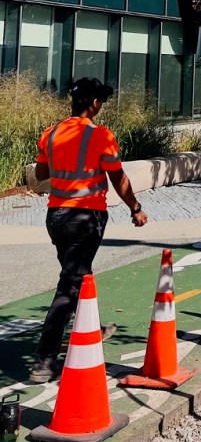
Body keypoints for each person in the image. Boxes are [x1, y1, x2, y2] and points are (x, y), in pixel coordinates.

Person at [29, 77, 148, 384]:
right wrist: (136, 208)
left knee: (79, 275)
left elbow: (41, 173)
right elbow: (118, 178)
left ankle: (91, 330)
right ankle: (44, 360)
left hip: (56, 216)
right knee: (70, 284)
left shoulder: (51, 133)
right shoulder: (101, 136)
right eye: (101, 102)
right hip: (86, 217)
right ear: (94, 104)